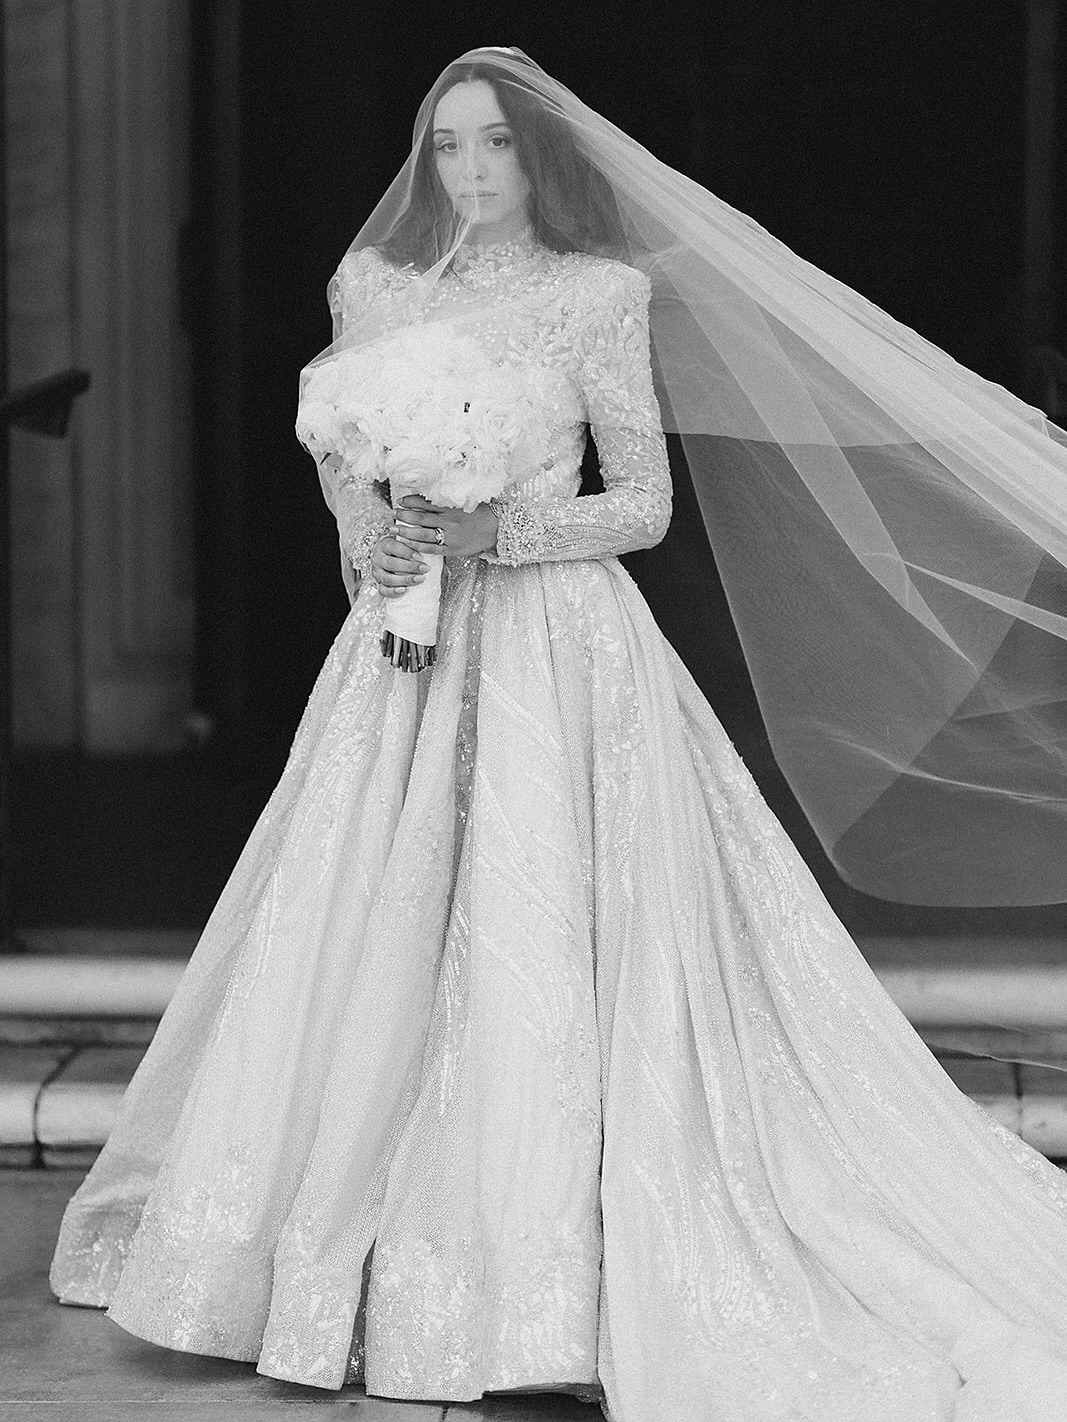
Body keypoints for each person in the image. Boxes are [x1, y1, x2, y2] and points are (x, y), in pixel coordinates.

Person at [49, 45, 1067, 1422]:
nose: (468, 171)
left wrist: (499, 527)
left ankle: (534, 1275)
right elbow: (345, 457)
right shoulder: (376, 286)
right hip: (405, 644)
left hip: (560, 649)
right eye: (447, 144)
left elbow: (642, 501)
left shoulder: (602, 294)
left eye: (496, 147)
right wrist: (381, 530)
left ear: (544, 161)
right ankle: (324, 1258)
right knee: (365, 917)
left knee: (545, 933)